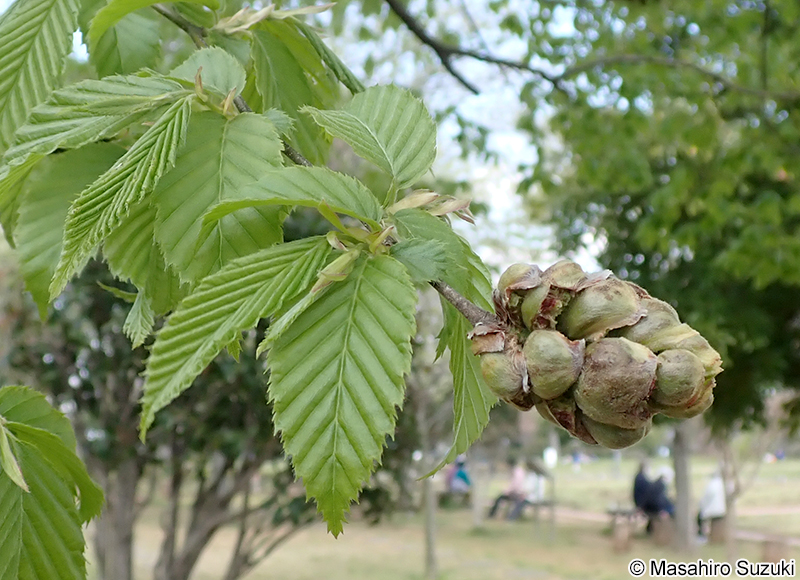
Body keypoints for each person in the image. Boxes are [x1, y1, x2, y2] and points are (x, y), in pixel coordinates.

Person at [697, 470, 726, 538]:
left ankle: (701, 535)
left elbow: (706, 498)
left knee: (699, 518)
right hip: (723, 509)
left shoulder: (712, 484)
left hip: (713, 509)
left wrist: (701, 505)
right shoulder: (724, 483)